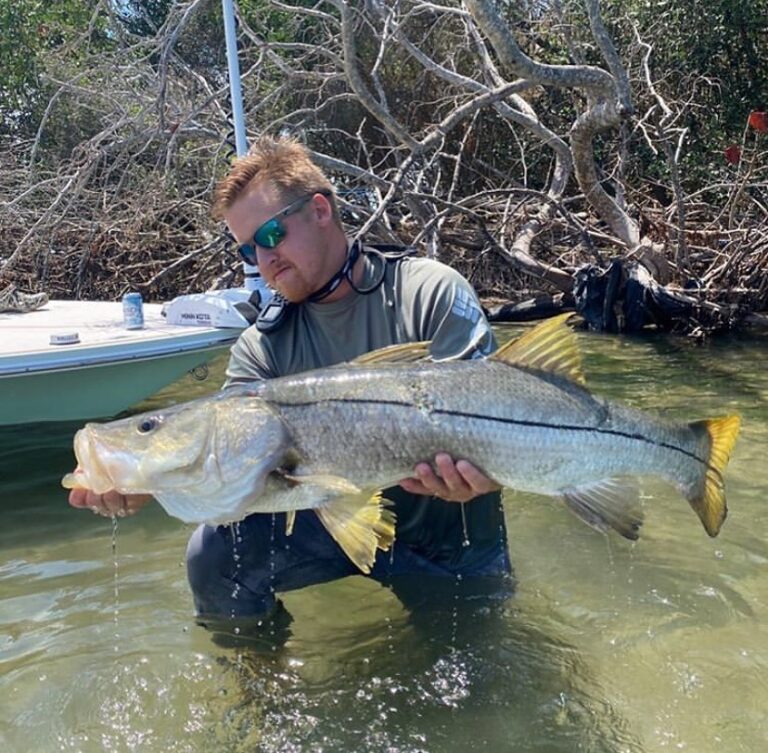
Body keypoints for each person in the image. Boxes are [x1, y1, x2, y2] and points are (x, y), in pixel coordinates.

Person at [69, 136, 513, 641]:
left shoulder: (429, 292)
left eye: (272, 233)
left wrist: (493, 473)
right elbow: (229, 461)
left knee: (482, 683)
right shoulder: (261, 348)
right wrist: (151, 480)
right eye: (247, 248)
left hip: (451, 528)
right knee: (212, 555)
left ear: (320, 210)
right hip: (329, 525)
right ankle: (259, 693)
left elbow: (502, 416)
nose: (263, 259)